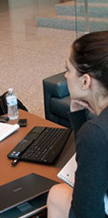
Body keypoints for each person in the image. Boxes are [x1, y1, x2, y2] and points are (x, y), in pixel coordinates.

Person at [47, 31, 108, 218]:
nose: (65, 76)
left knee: (57, 194)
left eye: (68, 69)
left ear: (85, 81)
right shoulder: (97, 130)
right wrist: (77, 113)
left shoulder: (96, 132)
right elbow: (93, 156)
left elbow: (87, 213)